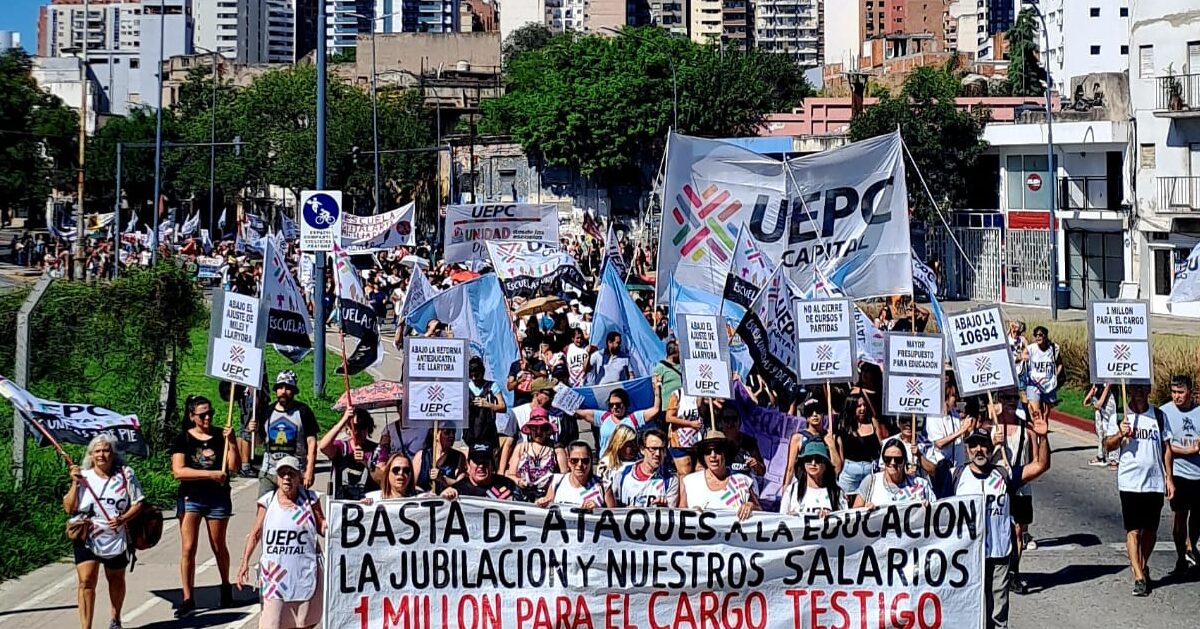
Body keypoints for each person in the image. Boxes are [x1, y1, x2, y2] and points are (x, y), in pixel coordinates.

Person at [950, 410, 1051, 629]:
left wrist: (1042, 437)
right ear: (967, 449)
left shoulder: (1004, 474)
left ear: (991, 448)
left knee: (998, 609)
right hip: (968, 555)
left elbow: (1040, 465)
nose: (979, 449)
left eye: (983, 445)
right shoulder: (956, 476)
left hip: (999, 553)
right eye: (973, 445)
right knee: (972, 608)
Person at [64, 435, 146, 629]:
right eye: (97, 451)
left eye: (106, 450)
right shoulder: (83, 476)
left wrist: (123, 519)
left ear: (113, 454)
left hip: (116, 536)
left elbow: (138, 502)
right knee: (86, 581)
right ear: (91, 455)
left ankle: (115, 619)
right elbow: (69, 507)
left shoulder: (125, 475)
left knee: (115, 578)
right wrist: (75, 483)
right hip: (87, 535)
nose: (101, 455)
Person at [170, 395, 240, 618]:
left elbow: (234, 467)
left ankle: (225, 587)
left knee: (218, 544)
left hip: (217, 498)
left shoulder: (221, 436)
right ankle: (187, 597)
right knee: (188, 547)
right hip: (191, 497)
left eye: (210, 413)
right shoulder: (183, 439)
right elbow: (178, 471)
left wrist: (232, 443)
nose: (207, 418)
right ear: (192, 416)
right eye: (202, 415)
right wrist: (210, 474)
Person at [237, 456, 326, 629]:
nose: (286, 477)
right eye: (282, 473)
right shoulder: (267, 501)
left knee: (304, 624)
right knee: (271, 623)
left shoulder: (310, 499)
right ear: (277, 478)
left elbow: (322, 526)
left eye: (291, 473)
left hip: (304, 572)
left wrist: (339, 522)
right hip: (274, 577)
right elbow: (255, 533)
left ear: (299, 477)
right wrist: (244, 563)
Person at [1104, 383, 1175, 596]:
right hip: (1130, 482)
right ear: (1129, 390)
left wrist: (1169, 478)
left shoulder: (1159, 416)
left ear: (1149, 390)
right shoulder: (1120, 415)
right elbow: (1108, 444)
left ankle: (1142, 564)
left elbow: (1166, 448)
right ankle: (1138, 576)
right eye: (1135, 388)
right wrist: (1120, 434)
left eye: (1143, 388)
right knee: (1133, 530)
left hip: (1154, 481)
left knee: (1150, 531)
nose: (1139, 392)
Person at [1160, 375, 1200, 577]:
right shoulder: (1164, 412)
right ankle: (1181, 555)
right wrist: (1187, 451)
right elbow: (1164, 445)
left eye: (1181, 392)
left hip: (1198, 474)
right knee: (1180, 515)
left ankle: (1192, 544)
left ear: (1190, 392)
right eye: (1174, 392)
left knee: (1197, 516)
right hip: (1178, 472)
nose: (1176, 396)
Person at [260, 371, 318, 497]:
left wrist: (309, 470)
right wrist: (252, 430)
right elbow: (259, 441)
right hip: (270, 472)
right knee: (263, 506)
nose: (283, 391)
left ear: (294, 391)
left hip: (295, 472)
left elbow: (312, 442)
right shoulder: (268, 411)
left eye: (288, 388)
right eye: (280, 387)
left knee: (293, 507)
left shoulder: (303, 411)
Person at [679, 431, 760, 520]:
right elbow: (679, 514)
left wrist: (751, 506)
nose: (713, 455)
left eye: (718, 450)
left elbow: (761, 512)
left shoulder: (742, 481)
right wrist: (690, 513)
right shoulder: (690, 482)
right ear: (703, 456)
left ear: (726, 453)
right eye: (707, 451)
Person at [576, 377, 662, 455]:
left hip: (627, 463)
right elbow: (578, 412)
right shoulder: (603, 417)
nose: (614, 407)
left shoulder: (633, 418)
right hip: (606, 462)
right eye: (611, 405)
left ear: (625, 404)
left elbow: (655, 410)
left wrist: (657, 388)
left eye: (618, 404)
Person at [833, 392, 889, 501]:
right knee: (845, 503)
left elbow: (882, 446)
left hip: (870, 470)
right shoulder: (843, 426)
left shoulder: (873, 422)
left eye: (864, 405)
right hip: (849, 472)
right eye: (858, 406)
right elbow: (841, 454)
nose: (863, 408)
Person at [852, 440, 936, 509]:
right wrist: (866, 510)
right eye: (888, 459)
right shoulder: (870, 482)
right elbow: (854, 515)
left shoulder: (921, 485)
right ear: (883, 460)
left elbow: (936, 511)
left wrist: (929, 509)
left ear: (904, 461)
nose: (893, 463)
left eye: (898, 459)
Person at [317, 407, 380, 500]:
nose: (357, 431)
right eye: (354, 426)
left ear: (368, 428)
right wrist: (343, 421)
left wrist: (366, 462)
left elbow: (382, 478)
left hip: (369, 502)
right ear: (348, 428)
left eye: (362, 427)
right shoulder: (341, 447)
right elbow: (323, 447)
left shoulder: (376, 450)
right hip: (342, 502)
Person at [611, 428, 679, 507]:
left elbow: (671, 511)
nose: (658, 453)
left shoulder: (670, 480)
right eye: (653, 449)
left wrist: (664, 507)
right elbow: (612, 506)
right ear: (642, 449)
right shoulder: (622, 473)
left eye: (662, 449)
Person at [537, 442, 616, 510]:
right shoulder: (557, 482)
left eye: (585, 461)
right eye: (574, 461)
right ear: (568, 462)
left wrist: (598, 510)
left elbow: (615, 517)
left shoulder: (604, 486)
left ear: (591, 462)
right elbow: (547, 507)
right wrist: (542, 503)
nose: (580, 464)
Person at [780, 441, 847, 518]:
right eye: (808, 459)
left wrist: (831, 517)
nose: (813, 463)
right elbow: (780, 519)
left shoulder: (837, 492)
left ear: (826, 464)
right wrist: (790, 518)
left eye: (818, 459)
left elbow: (845, 519)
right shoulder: (791, 490)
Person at [505, 410, 560, 501]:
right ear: (530, 429)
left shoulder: (556, 450)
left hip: (546, 498)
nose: (539, 432)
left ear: (548, 430)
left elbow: (563, 478)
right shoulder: (521, 447)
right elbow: (510, 474)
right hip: (522, 496)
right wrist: (519, 481)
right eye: (535, 428)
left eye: (543, 428)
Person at [442, 444, 521, 501]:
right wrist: (446, 496)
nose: (481, 466)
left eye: (485, 462)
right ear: (468, 464)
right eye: (477, 462)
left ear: (492, 465)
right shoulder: (458, 489)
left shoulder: (507, 484)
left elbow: (523, 502)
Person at [467, 357, 506, 454]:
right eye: (471, 376)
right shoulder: (466, 388)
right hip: (471, 433)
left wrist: (488, 405)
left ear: (482, 372)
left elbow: (503, 407)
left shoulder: (492, 386)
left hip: (489, 433)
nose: (474, 378)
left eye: (477, 375)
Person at [412, 427, 466, 494]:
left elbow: (461, 486)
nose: (451, 436)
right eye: (447, 432)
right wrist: (425, 494)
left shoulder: (459, 457)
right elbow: (411, 485)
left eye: (453, 432)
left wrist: (442, 479)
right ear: (436, 434)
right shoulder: (421, 455)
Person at [665, 385, 704, 477]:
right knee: (685, 472)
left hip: (697, 441)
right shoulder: (677, 394)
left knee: (697, 473)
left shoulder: (701, 393)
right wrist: (690, 424)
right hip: (679, 441)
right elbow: (669, 417)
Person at [1024, 326, 1062, 419]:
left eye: (1040, 335)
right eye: (1035, 335)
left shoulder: (1053, 348)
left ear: (1045, 336)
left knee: (1045, 415)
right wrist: (1023, 356)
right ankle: (1036, 426)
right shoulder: (1031, 348)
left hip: (1049, 385)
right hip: (1034, 384)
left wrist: (1055, 376)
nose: (1038, 337)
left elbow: (1059, 364)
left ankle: (1043, 428)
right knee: (1036, 414)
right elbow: (1021, 356)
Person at [1084, 382, 1118, 468]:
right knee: (1099, 428)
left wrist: (1102, 400)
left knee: (1110, 427)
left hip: (1109, 395)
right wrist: (1090, 394)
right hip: (1098, 394)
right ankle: (1101, 455)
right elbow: (1096, 380)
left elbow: (1110, 382)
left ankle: (1113, 458)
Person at [507, 343, 546, 407]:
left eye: (531, 349)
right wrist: (520, 380)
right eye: (526, 349)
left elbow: (544, 377)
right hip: (519, 402)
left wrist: (529, 370)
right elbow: (509, 387)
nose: (528, 352)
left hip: (535, 401)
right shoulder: (515, 365)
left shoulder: (540, 363)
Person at [652, 340, 683, 412]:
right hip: (668, 406)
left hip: (682, 405)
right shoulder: (660, 368)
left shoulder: (683, 364)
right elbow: (655, 389)